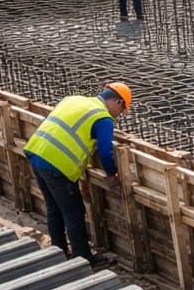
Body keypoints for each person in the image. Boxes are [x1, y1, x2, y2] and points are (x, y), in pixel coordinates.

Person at [23, 84, 133, 267]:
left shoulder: (75, 99)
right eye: (122, 110)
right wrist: (112, 173)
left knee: (54, 208)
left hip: (36, 153)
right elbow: (106, 152)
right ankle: (83, 258)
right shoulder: (103, 118)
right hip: (57, 165)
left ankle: (58, 251)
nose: (119, 115)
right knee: (74, 211)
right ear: (118, 102)